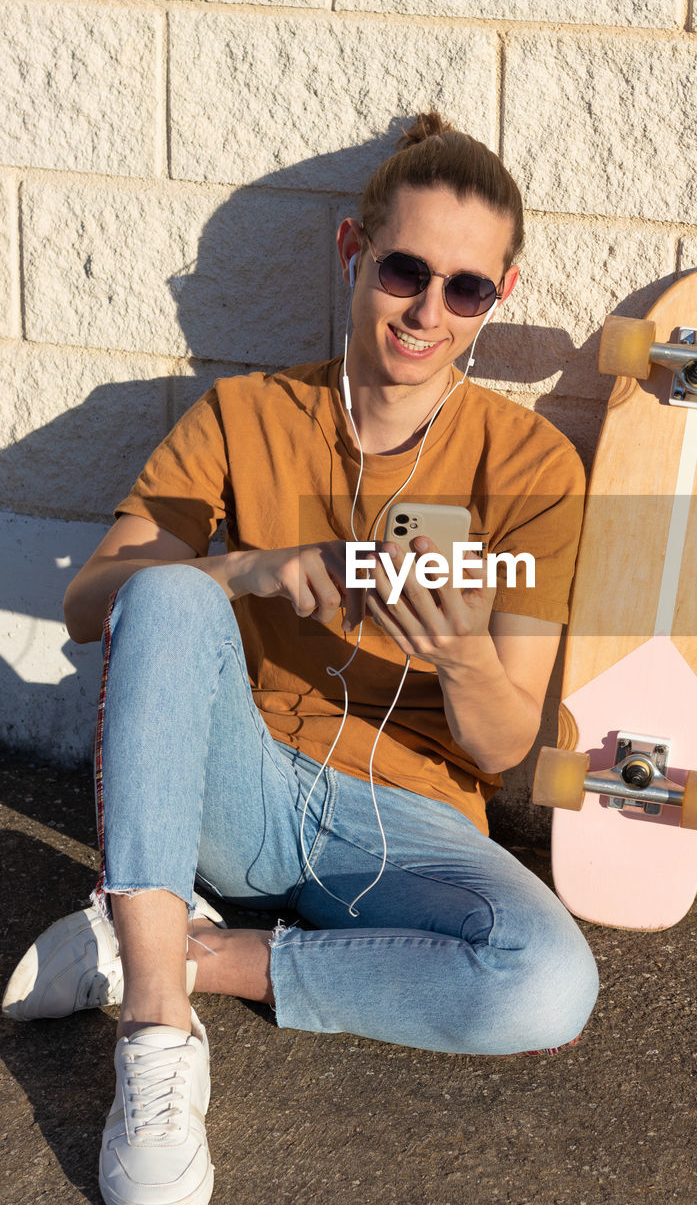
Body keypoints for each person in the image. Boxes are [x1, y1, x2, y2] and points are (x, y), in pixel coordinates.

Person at [3, 113, 598, 1205]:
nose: (427, 311)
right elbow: (91, 604)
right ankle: (155, 1032)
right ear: (350, 253)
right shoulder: (245, 415)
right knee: (169, 589)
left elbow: (507, 744)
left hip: (407, 827)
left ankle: (173, 948)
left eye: (465, 288)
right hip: (250, 788)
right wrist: (249, 568)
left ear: (498, 294)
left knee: (550, 982)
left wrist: (463, 658)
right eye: (404, 269)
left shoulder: (529, 467)